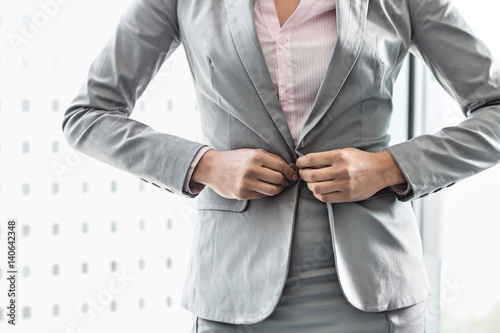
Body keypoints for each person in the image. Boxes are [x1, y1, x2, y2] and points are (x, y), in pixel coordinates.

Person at [62, 0, 500, 331]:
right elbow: (88, 115)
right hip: (232, 291)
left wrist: (389, 167)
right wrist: (206, 165)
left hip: (375, 292)